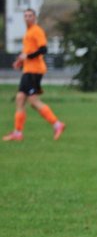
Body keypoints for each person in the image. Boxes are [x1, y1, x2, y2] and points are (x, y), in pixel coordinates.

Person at [3, 8, 65, 142]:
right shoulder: (28, 32)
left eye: (30, 15)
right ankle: (18, 133)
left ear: (34, 17)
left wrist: (28, 56)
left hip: (34, 71)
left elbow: (43, 49)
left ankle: (57, 124)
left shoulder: (37, 31)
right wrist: (20, 61)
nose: (27, 18)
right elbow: (28, 52)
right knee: (20, 98)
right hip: (28, 70)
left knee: (33, 101)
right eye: (25, 16)